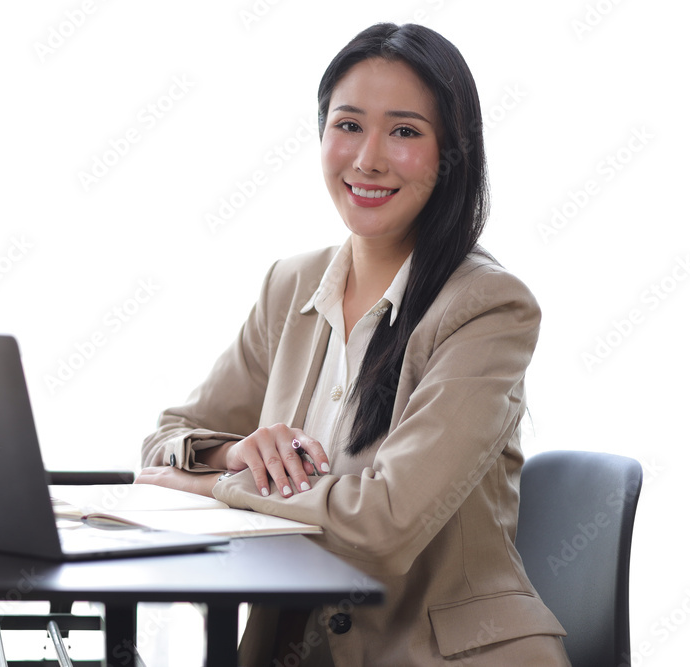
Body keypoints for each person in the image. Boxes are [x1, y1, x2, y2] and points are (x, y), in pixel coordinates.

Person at [136, 22, 571, 666]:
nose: (368, 158)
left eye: (404, 131)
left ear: (455, 153)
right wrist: (236, 453)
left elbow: (384, 526)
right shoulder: (292, 286)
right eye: (347, 125)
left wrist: (220, 489)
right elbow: (166, 442)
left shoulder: (488, 309)